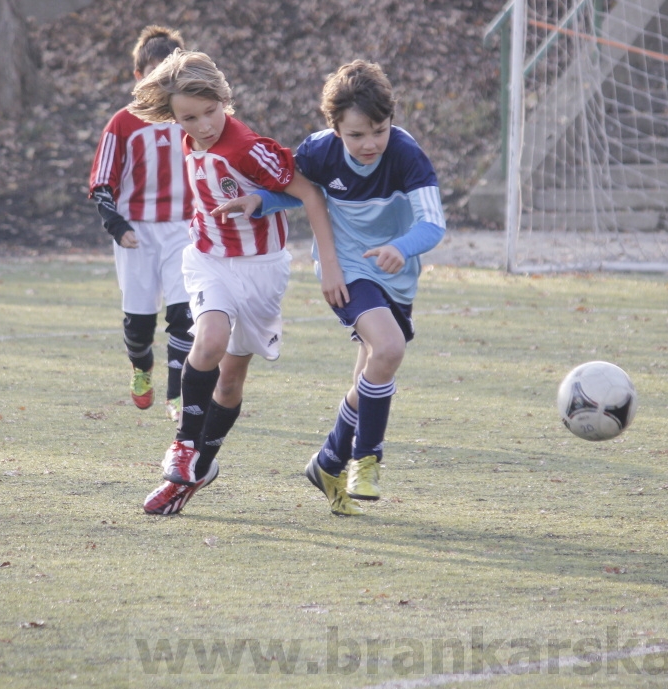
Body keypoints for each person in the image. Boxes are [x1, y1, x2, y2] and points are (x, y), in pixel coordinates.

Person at [214, 60, 444, 516]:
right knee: (389, 349)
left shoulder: (405, 154)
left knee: (374, 369)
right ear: (335, 128)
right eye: (356, 134)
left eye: (378, 130)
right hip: (347, 272)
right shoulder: (319, 152)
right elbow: (296, 189)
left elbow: (433, 223)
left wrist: (402, 246)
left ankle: (328, 460)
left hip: (396, 275)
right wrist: (261, 200)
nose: (369, 143)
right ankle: (366, 458)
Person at [129, 49, 346, 516]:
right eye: (189, 117)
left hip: (261, 269)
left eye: (211, 112)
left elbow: (308, 192)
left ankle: (198, 470)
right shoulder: (190, 139)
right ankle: (185, 447)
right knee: (208, 340)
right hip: (208, 259)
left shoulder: (247, 147)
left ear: (224, 101)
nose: (203, 125)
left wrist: (328, 262)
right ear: (173, 116)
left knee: (230, 380)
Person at [87, 26, 194, 421]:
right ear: (138, 76)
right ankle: (140, 367)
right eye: (154, 72)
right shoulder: (123, 123)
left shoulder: (194, 116)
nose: (162, 80)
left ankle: (178, 394)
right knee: (139, 323)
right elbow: (102, 179)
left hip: (185, 228)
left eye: (171, 72)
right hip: (137, 233)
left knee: (186, 315)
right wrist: (116, 225)